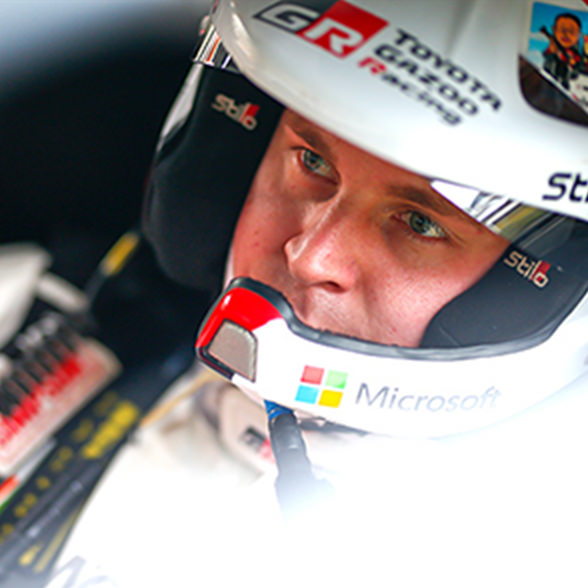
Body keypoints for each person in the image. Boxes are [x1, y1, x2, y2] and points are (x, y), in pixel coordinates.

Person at [54, 1, 588, 586]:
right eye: (312, 161)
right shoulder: (30, 314)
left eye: (420, 224)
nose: (310, 256)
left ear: (545, 283)